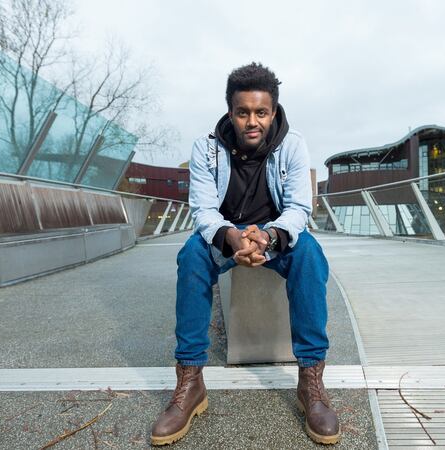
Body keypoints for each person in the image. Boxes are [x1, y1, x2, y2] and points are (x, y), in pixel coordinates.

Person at [150, 62, 340, 446]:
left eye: (261, 112)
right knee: (191, 256)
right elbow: (203, 210)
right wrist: (232, 237)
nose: (252, 121)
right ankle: (190, 380)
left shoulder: (293, 144)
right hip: (227, 234)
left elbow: (299, 209)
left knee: (310, 256)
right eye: (243, 112)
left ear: (273, 111)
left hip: (275, 234)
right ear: (230, 111)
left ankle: (311, 381)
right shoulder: (205, 148)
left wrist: (267, 237)